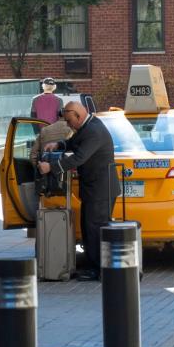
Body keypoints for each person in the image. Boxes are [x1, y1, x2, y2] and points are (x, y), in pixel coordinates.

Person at [38, 101, 120, 281]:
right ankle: (94, 267)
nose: (68, 124)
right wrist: (58, 145)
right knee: (88, 227)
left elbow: (79, 158)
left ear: (78, 116)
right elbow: (73, 143)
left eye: (69, 121)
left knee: (95, 229)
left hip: (101, 189)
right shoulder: (87, 126)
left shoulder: (94, 132)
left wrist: (51, 167)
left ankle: (98, 270)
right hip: (95, 189)